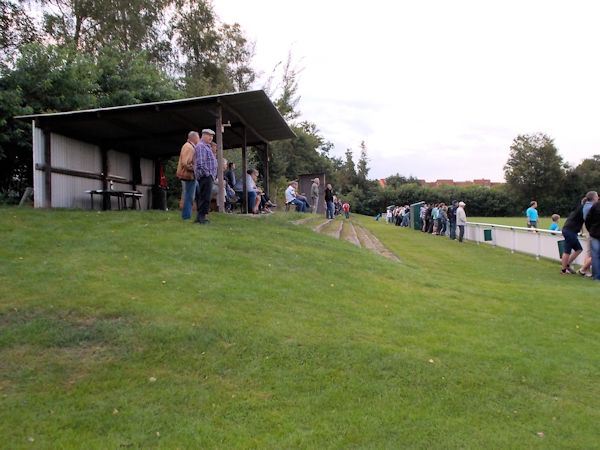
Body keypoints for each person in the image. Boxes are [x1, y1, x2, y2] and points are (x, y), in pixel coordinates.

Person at [560, 191, 597, 274]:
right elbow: (587, 220)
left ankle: (567, 265)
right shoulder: (586, 208)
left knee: (579, 249)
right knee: (567, 251)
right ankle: (563, 270)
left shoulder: (581, 208)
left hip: (570, 230)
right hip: (570, 231)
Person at [194, 129, 217, 224]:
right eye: (209, 135)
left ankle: (200, 217)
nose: (211, 137)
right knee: (205, 197)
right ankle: (202, 219)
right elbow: (201, 163)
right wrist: (208, 174)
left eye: (212, 136)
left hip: (208, 176)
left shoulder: (206, 146)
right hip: (205, 177)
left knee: (203, 197)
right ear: (203, 135)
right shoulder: (201, 146)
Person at [176, 131, 200, 220]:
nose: (199, 139)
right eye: (198, 137)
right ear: (194, 138)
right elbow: (185, 163)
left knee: (195, 194)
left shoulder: (190, 146)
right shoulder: (188, 147)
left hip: (191, 176)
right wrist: (196, 169)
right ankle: (186, 216)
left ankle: (198, 214)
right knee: (189, 196)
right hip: (188, 176)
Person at [584, 193, 600, 280]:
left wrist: (590, 230)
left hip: (594, 233)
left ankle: (596, 277)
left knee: (595, 255)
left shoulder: (595, 205)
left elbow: (588, 219)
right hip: (595, 232)